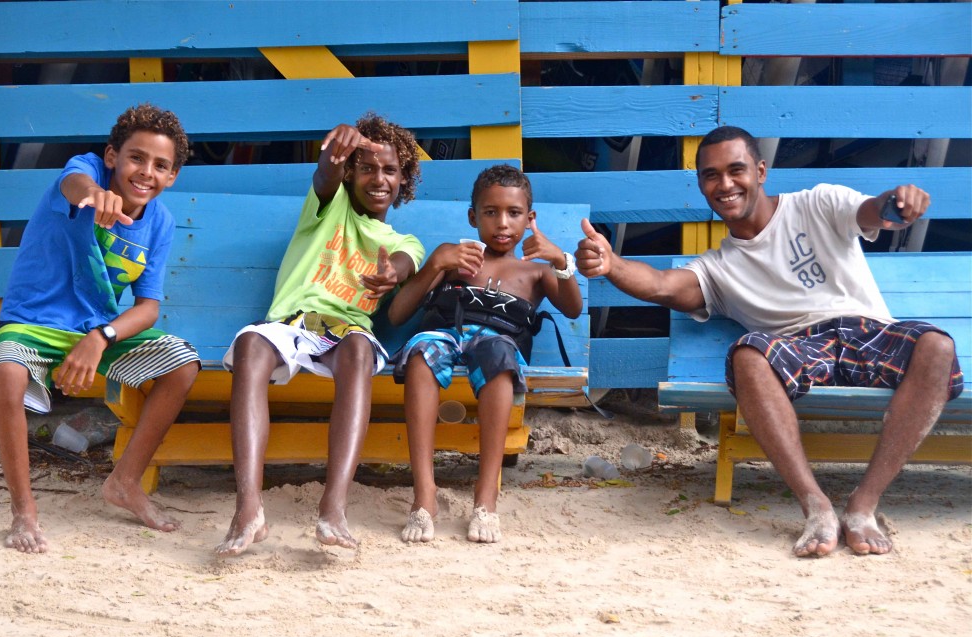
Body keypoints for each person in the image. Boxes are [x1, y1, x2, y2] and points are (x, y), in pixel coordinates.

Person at [575, 126, 963, 558]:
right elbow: (664, 285)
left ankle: (863, 504)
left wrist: (896, 203)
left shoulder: (817, 203)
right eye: (711, 175)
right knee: (747, 355)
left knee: (938, 347)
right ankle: (816, 507)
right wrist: (611, 264)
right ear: (701, 184)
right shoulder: (719, 268)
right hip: (798, 348)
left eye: (736, 169)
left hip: (865, 330)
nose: (724, 184)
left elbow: (873, 213)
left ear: (761, 170)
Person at [0, 103, 201, 554]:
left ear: (173, 177)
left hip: (94, 331)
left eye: (161, 166)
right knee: (6, 372)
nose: (146, 172)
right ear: (112, 157)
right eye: (136, 158)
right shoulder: (86, 174)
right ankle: (23, 511)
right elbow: (72, 183)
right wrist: (92, 194)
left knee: (182, 363)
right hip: (33, 323)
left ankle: (125, 482)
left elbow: (147, 308)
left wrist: (102, 336)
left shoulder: (160, 221)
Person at [216, 113, 425, 555]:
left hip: (346, 333)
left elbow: (406, 261)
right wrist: (336, 153)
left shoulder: (405, 239)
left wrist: (393, 273)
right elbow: (326, 175)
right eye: (366, 167)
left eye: (389, 170)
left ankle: (333, 509)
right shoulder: (329, 207)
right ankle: (248, 508)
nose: (379, 178)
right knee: (252, 342)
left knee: (359, 350)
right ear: (352, 172)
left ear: (403, 178)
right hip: (292, 323)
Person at [388, 164, 583, 544]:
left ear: (530, 219)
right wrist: (437, 265)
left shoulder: (536, 273)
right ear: (473, 217)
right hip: (446, 334)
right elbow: (398, 314)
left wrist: (561, 262)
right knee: (419, 356)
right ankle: (424, 495)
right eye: (490, 213)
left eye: (513, 213)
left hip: (497, 343)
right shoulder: (455, 257)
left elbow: (573, 308)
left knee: (499, 360)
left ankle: (486, 498)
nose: (502, 223)